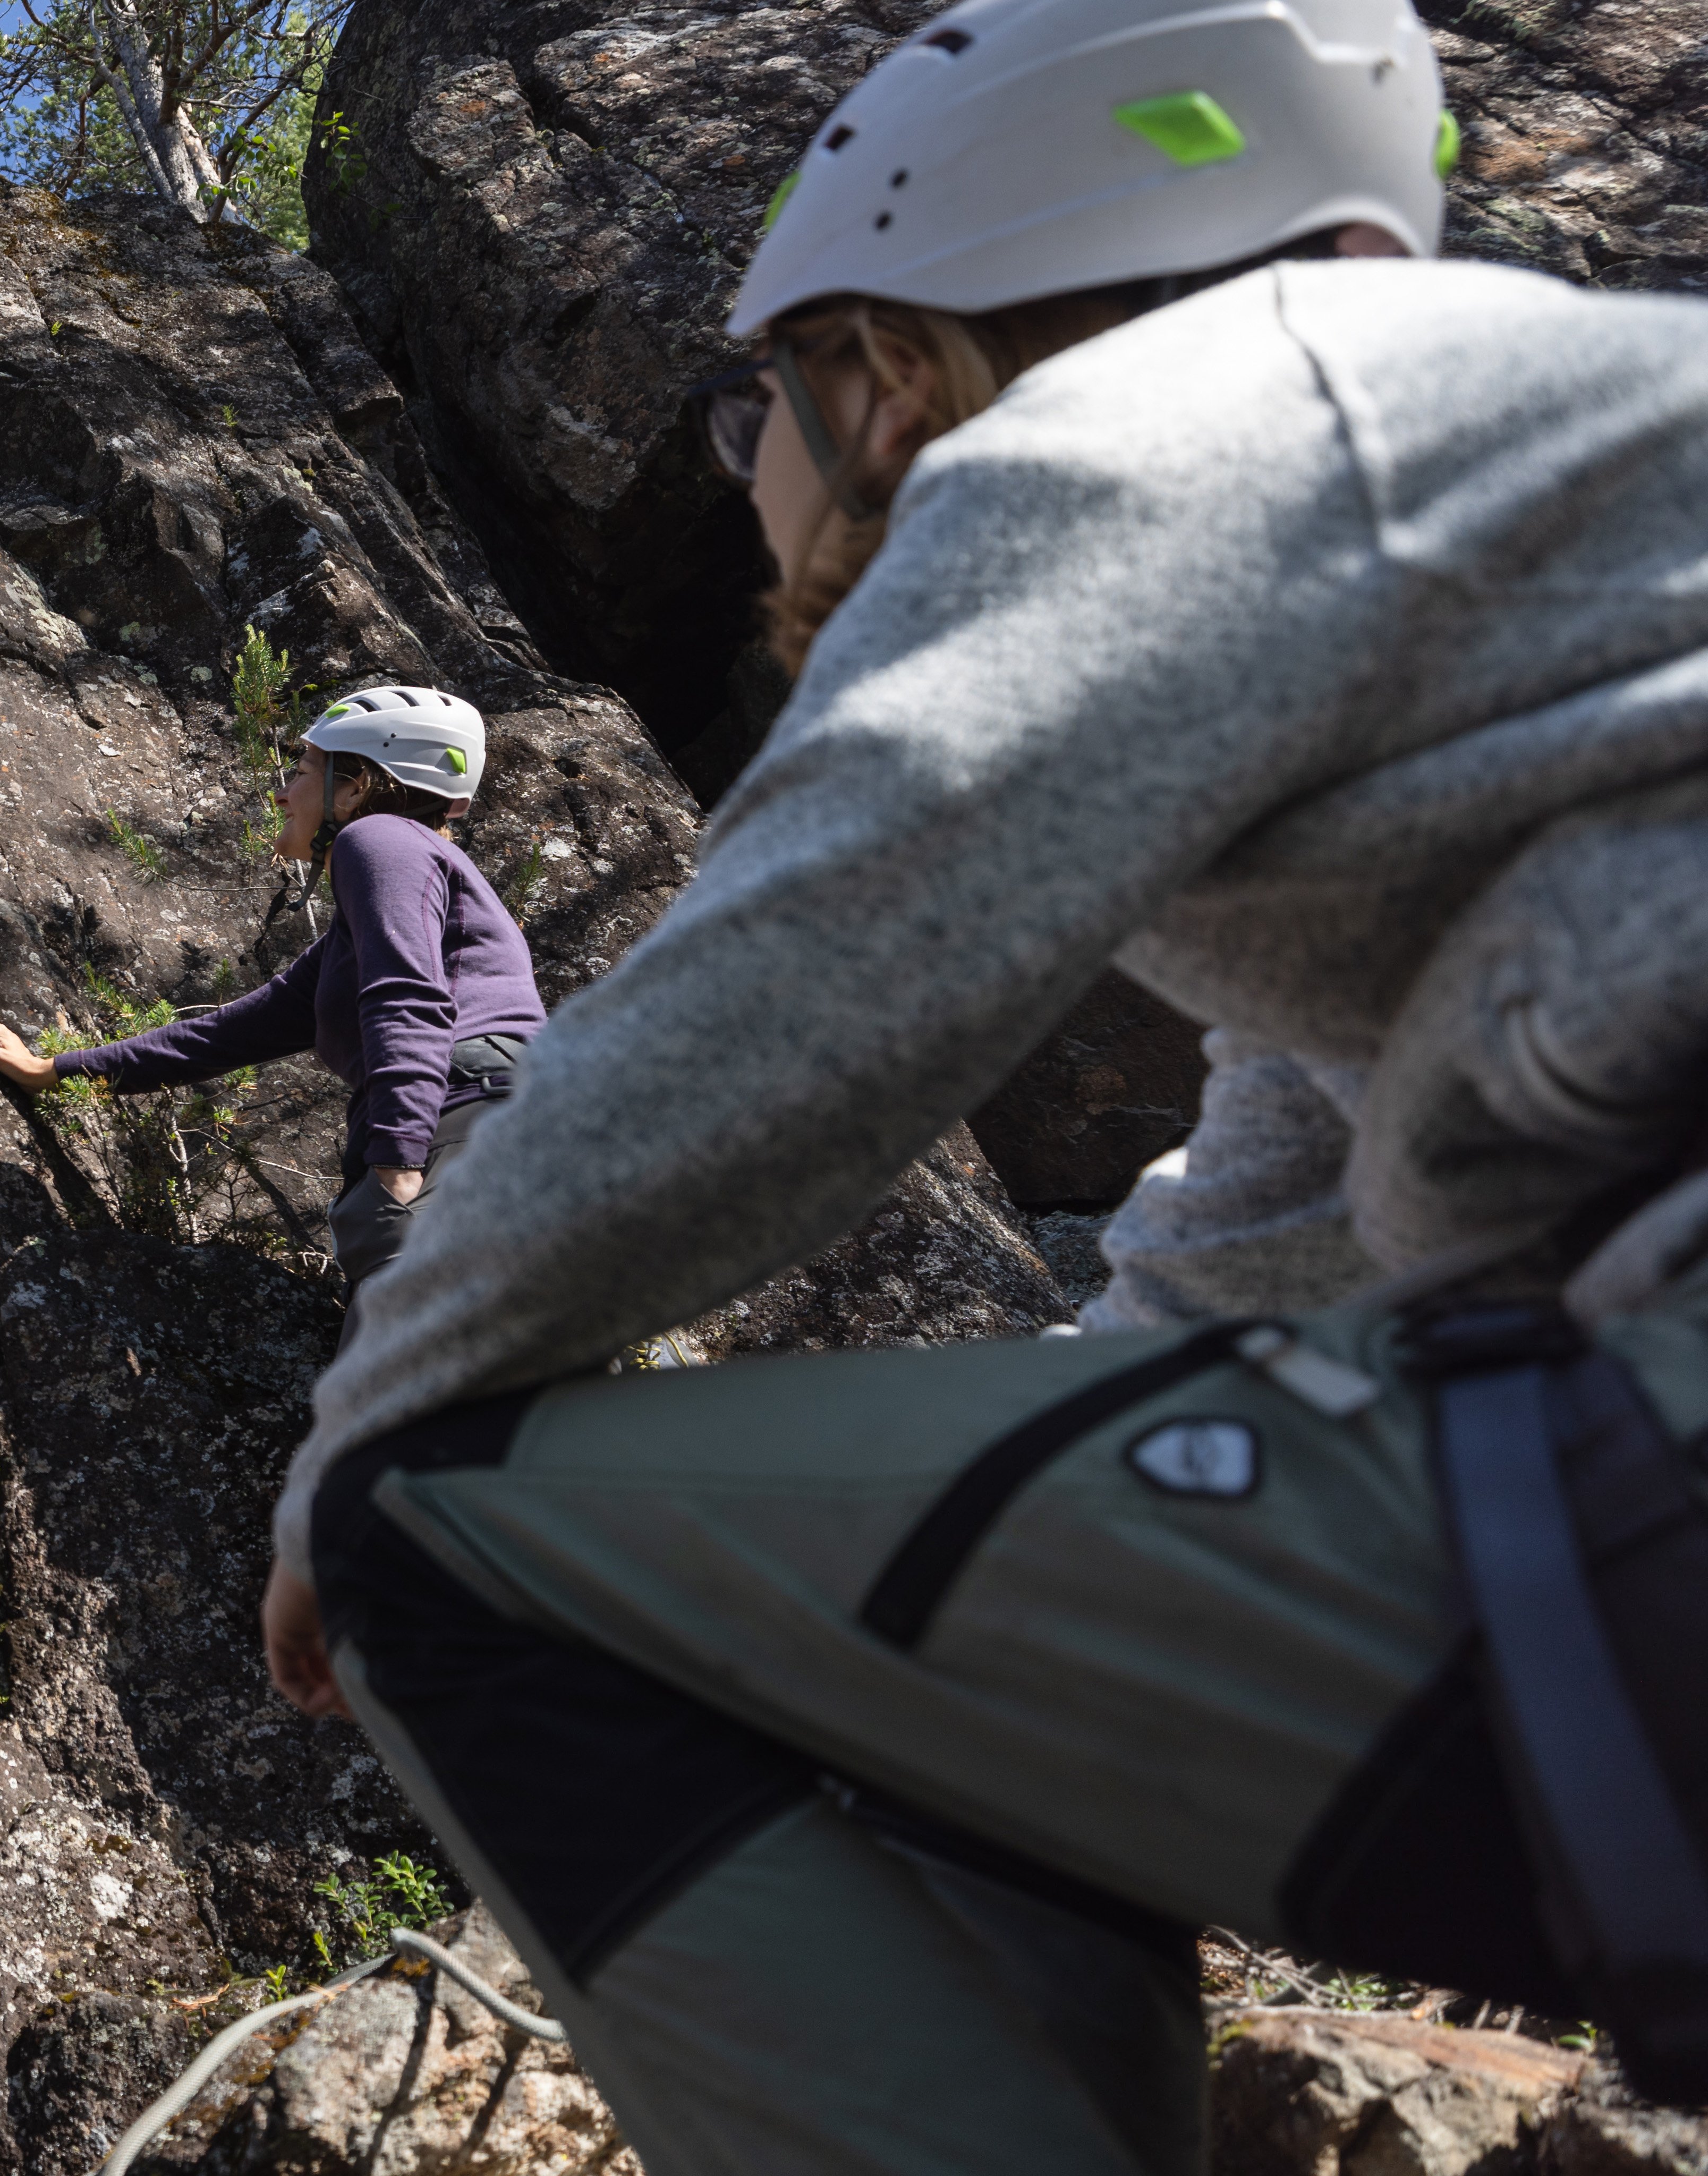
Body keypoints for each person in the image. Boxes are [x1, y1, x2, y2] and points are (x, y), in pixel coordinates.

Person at [253, 0, 1708, 2166]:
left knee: (435, 1533)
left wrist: (354, 1446)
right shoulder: (1499, 509)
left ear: (884, 353)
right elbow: (1249, 1246)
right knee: (925, 1703)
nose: (751, 505)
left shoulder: (1186, 402)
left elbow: (792, 985)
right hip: (1625, 1466)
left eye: (750, 398)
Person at [0, 686, 548, 1290]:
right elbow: (229, 1034)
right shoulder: (370, 920)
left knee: (421, 1365)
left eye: (302, 771)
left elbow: (407, 994)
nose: (280, 793)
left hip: (460, 1124)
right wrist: (54, 1070)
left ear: (354, 787)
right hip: (502, 1128)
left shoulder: (377, 839)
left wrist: (396, 1162)